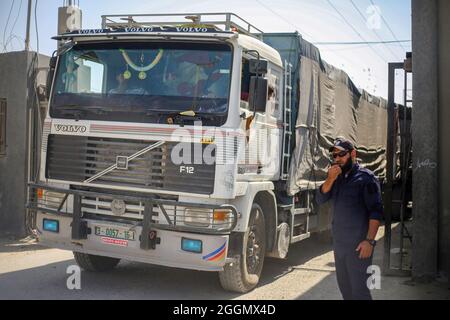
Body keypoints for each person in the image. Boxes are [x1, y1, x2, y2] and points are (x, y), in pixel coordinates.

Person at [316, 138, 383, 300]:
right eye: (334, 155)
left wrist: (369, 241)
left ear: (353, 154)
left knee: (360, 293)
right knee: (346, 291)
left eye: (342, 154)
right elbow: (320, 199)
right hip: (340, 246)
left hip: (359, 247)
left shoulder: (366, 178)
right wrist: (330, 179)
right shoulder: (336, 178)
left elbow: (376, 212)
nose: (337, 158)